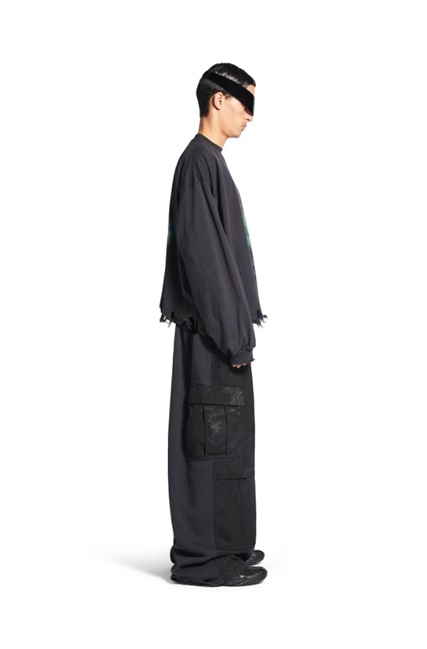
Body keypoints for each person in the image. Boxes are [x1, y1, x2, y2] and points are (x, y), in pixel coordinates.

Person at [158, 63, 268, 586]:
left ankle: (229, 547)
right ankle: (204, 560)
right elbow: (205, 262)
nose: (250, 115)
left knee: (229, 444)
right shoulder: (198, 163)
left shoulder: (210, 162)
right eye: (246, 103)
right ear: (217, 100)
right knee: (210, 442)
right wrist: (233, 335)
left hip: (221, 333)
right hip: (212, 336)